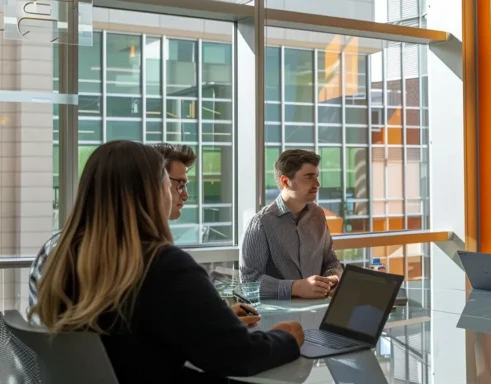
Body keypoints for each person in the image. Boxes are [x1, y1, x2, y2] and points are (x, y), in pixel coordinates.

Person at [29, 141, 304, 383]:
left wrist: (209, 324)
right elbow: (238, 356)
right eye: (173, 184)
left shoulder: (61, 257)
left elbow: (128, 335)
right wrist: (286, 338)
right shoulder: (163, 265)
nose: (181, 195)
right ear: (151, 192)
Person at [28, 144, 204, 308]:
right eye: (179, 185)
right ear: (149, 188)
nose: (186, 196)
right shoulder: (157, 262)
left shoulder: (54, 250)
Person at [241, 149, 343, 299]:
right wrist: (295, 287)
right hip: (280, 317)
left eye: (316, 176)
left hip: (319, 310)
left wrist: (332, 278)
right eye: (309, 177)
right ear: (285, 181)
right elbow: (249, 283)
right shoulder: (261, 223)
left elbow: (330, 260)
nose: (317, 184)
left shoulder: (318, 215)